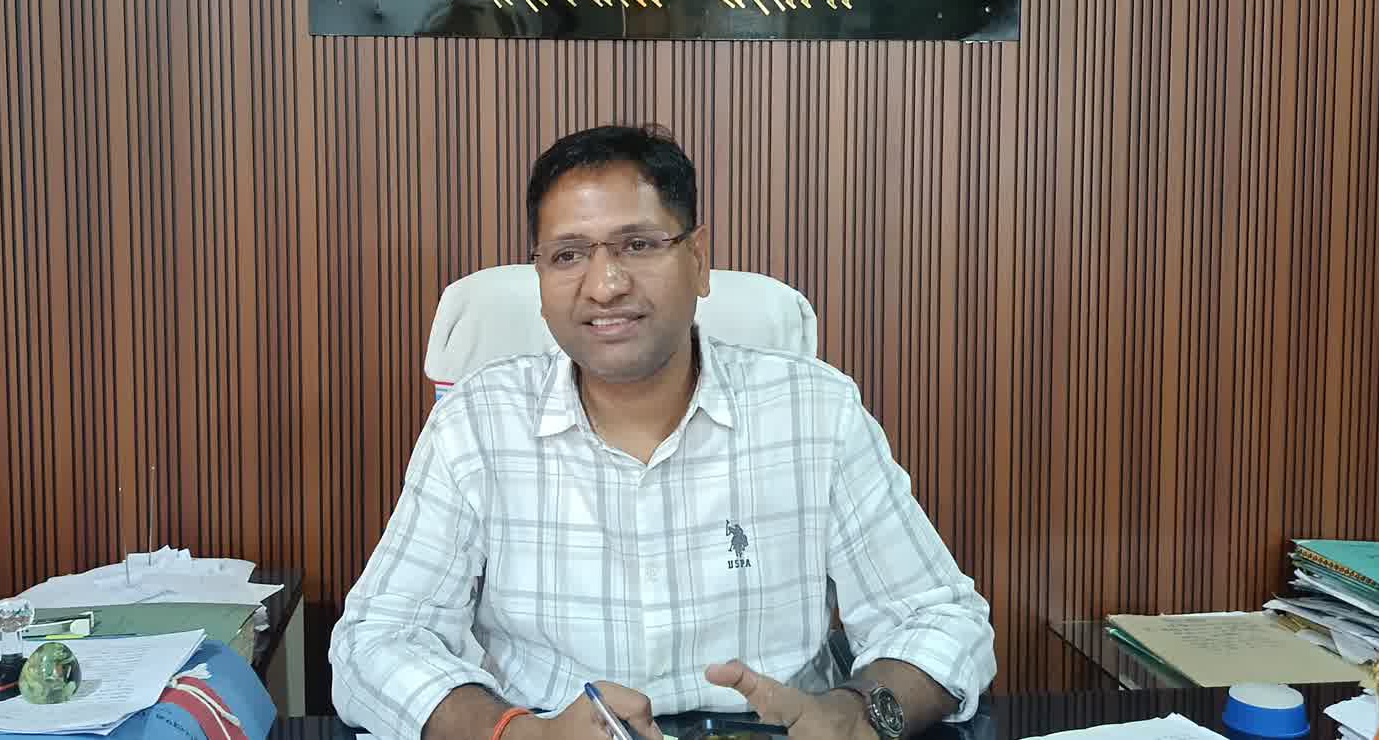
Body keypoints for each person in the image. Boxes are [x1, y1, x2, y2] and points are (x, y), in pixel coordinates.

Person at [330, 125, 996, 740]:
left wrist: (856, 717)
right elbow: (375, 640)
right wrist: (517, 733)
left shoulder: (815, 411)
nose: (605, 285)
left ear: (698, 259)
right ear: (541, 278)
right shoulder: (477, 422)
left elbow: (940, 619)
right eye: (568, 255)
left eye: (639, 245)